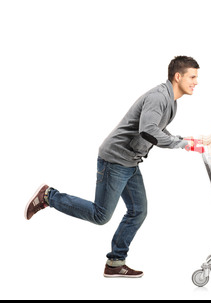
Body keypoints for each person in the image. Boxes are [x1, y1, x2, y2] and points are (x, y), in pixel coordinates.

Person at [24, 56, 200, 278]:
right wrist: (181, 144)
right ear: (178, 76)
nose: (196, 82)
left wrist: (183, 139)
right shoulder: (158, 97)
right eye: (192, 76)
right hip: (116, 159)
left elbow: (156, 130)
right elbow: (148, 131)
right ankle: (49, 196)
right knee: (101, 215)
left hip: (130, 160)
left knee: (138, 211)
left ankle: (116, 263)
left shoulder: (171, 102)